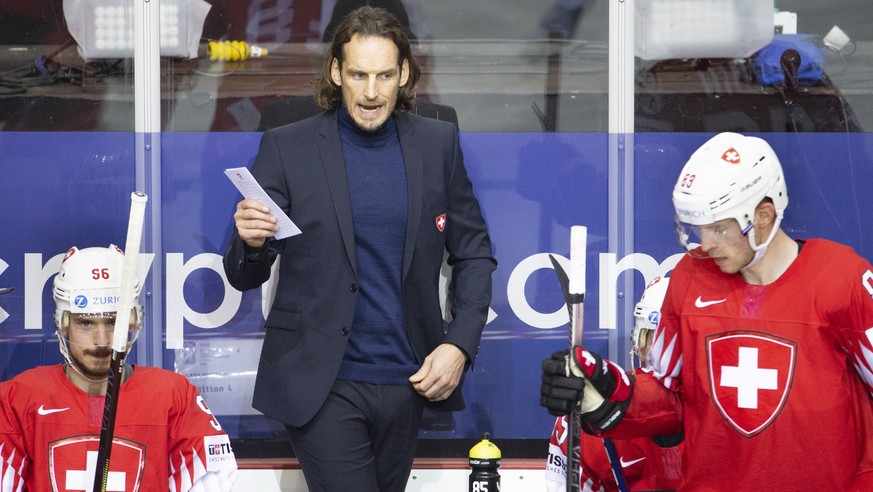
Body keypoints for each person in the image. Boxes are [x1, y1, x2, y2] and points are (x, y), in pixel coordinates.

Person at [222, 6, 495, 492]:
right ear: (335, 72)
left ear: (404, 73)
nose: (371, 92)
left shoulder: (439, 144)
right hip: (321, 384)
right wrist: (251, 241)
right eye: (358, 75)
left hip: (408, 380)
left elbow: (473, 253)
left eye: (385, 75)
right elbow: (244, 273)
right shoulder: (288, 147)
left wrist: (459, 345)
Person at [541, 132, 873, 490]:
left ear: (764, 214)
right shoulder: (689, 278)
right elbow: (670, 396)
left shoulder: (842, 278)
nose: (706, 242)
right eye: (698, 228)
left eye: (719, 228)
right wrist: (607, 389)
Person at [0, 245, 237, 491]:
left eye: (114, 321)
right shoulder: (16, 400)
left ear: (134, 320)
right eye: (86, 323)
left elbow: (213, 480)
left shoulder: (175, 397)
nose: (102, 340)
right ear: (64, 324)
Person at [545, 276, 682, 492]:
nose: (667, 359)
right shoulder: (586, 416)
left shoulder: (728, 415)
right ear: (638, 342)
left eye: (680, 345)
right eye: (654, 339)